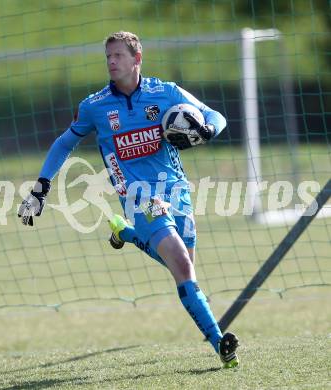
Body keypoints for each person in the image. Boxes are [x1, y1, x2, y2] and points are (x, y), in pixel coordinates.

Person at [18, 31, 239, 368]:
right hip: (137, 195)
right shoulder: (94, 106)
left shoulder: (165, 93)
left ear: (137, 59)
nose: (111, 62)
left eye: (118, 56)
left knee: (185, 268)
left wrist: (207, 130)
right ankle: (220, 344)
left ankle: (125, 233)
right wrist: (40, 189)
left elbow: (216, 117)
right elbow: (63, 143)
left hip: (175, 189)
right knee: (180, 261)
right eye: (108, 56)